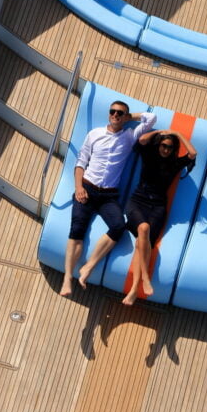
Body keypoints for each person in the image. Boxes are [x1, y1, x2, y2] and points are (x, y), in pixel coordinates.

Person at [61, 99, 156, 296]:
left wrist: (133, 117)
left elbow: (151, 118)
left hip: (108, 195)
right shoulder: (94, 134)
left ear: (125, 117)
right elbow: (81, 162)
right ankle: (67, 278)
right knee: (77, 229)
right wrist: (79, 187)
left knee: (118, 226)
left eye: (120, 113)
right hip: (87, 187)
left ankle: (88, 267)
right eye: (113, 111)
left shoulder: (130, 136)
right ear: (108, 113)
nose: (115, 115)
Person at [122, 130, 197, 306]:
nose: (166, 149)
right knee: (144, 229)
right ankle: (145, 278)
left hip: (158, 207)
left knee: (143, 244)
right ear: (159, 145)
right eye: (163, 145)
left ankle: (133, 290)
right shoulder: (149, 155)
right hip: (138, 201)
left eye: (170, 147)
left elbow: (193, 153)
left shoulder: (174, 164)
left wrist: (178, 134)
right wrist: (160, 132)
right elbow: (142, 140)